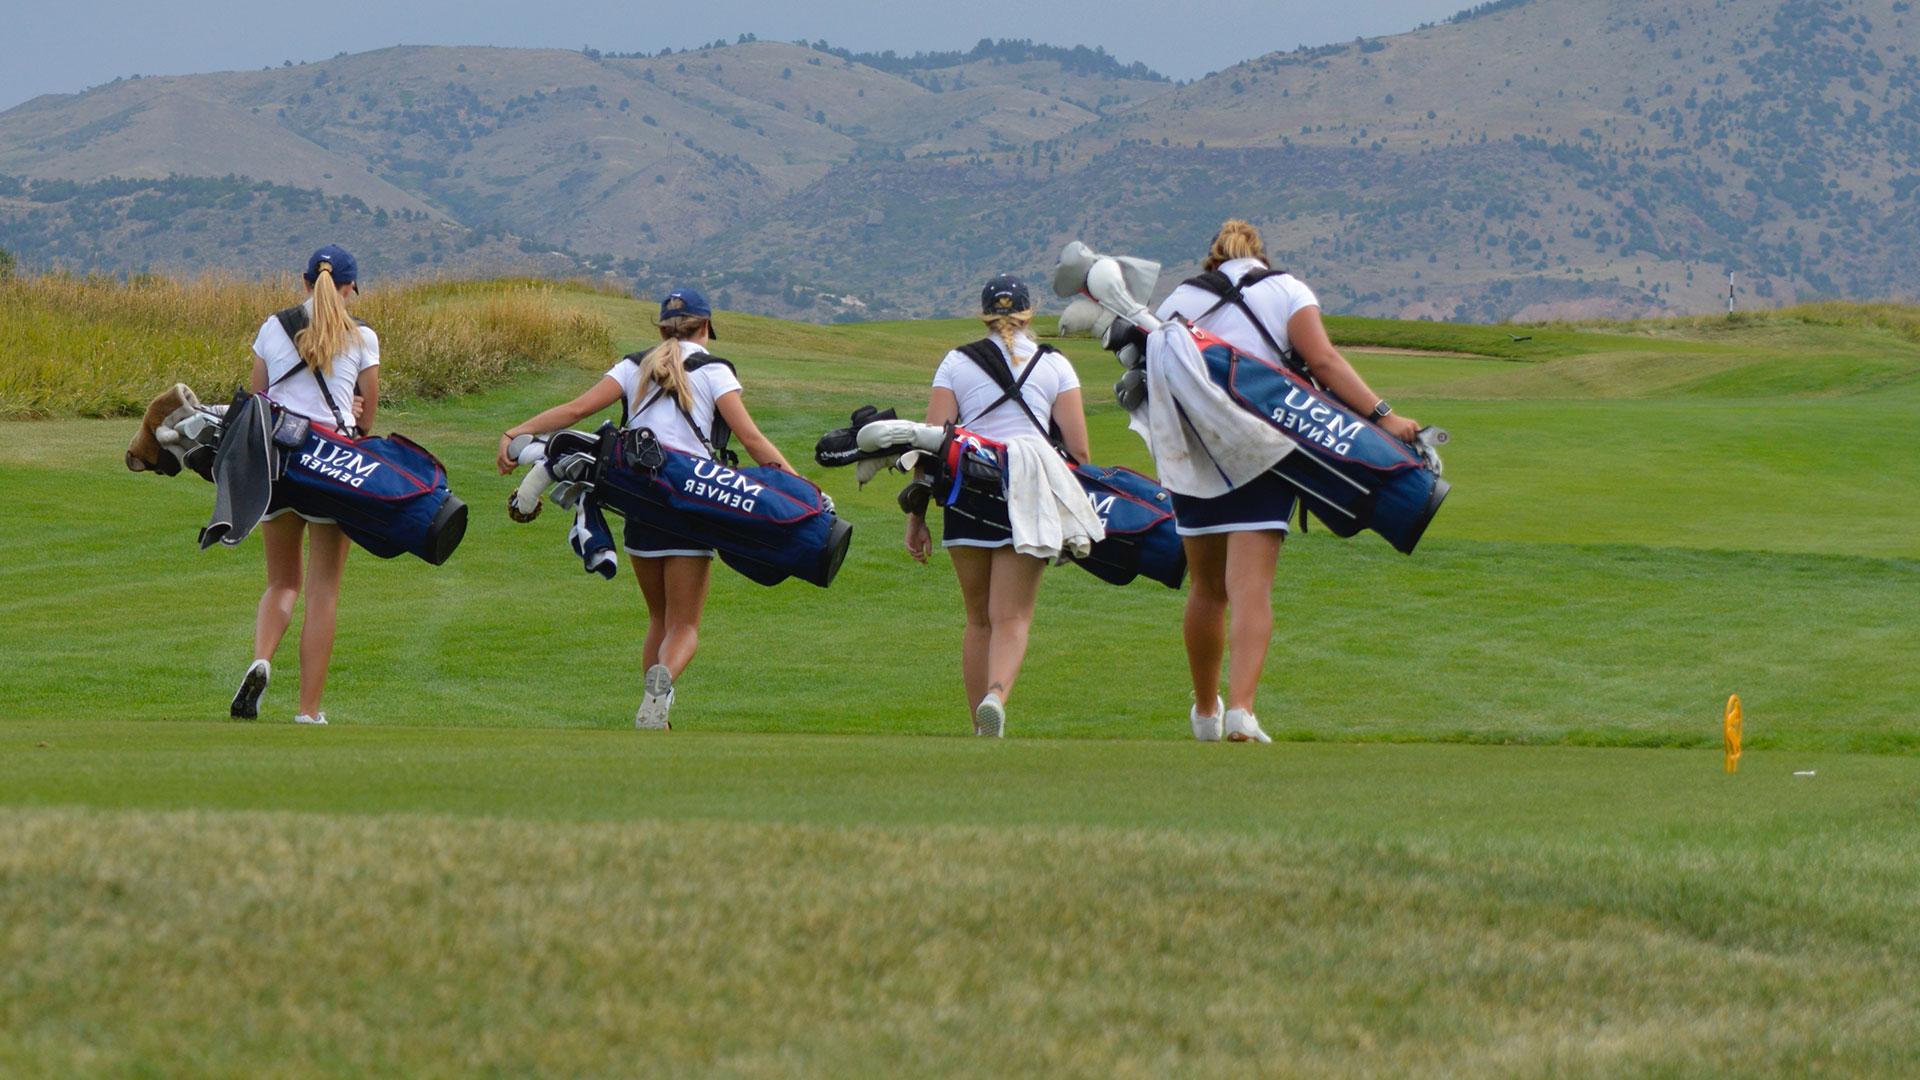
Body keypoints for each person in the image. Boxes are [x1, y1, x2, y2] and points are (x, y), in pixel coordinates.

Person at [1155, 220, 1423, 744]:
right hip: (1263, 451)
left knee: (1207, 590)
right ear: (1260, 253)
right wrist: (1384, 415)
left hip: (1192, 456)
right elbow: (1323, 360)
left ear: (1215, 257)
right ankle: (1241, 711)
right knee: (1250, 588)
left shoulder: (1178, 299)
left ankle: (1205, 713)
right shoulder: (1287, 289)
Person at [495, 287, 796, 730]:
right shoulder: (715, 372)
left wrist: (514, 432)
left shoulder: (633, 366)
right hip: (692, 503)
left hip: (639, 502)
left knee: (658, 616)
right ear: (707, 326)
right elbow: (751, 440)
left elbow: (577, 409)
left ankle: (653, 711)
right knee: (685, 626)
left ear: (660, 328)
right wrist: (800, 487)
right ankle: (664, 681)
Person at [904, 274, 1092, 737]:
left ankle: (979, 727)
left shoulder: (956, 362)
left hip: (966, 491)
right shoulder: (1055, 365)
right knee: (1012, 617)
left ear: (984, 313)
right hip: (1027, 496)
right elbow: (1081, 452)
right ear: (1030, 312)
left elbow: (931, 443)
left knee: (977, 619)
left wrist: (916, 516)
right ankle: (997, 695)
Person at [229, 244, 379, 726]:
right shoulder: (363, 337)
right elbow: (366, 416)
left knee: (281, 581)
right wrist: (351, 414)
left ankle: (261, 658)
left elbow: (257, 397)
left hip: (279, 464)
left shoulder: (273, 326)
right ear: (350, 286)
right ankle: (308, 710)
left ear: (303, 281)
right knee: (324, 591)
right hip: (333, 463)